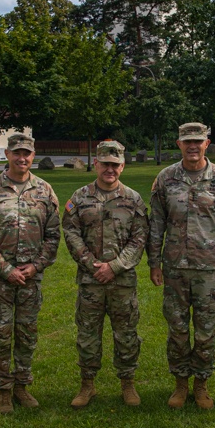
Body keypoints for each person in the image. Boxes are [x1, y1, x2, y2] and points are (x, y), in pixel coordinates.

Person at [148, 122, 215, 410]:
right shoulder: (165, 178)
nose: (192, 146)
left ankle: (201, 384)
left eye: (197, 141)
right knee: (177, 328)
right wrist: (154, 262)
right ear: (178, 144)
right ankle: (180, 384)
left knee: (205, 330)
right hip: (174, 267)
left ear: (207, 144)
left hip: (208, 270)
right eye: (186, 141)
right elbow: (156, 224)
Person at [0, 133, 61, 414]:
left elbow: (54, 235)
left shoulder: (45, 190)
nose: (22, 158)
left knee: (27, 333)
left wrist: (36, 266)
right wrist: (5, 269)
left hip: (31, 278)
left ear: (32, 156)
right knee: (0, 334)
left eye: (27, 153)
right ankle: (3, 390)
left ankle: (22, 385)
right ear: (7, 154)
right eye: (17, 153)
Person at [62, 140, 149, 408]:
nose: (109, 169)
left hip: (122, 281)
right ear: (96, 164)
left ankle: (128, 384)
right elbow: (71, 232)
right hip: (90, 281)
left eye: (115, 164)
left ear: (122, 166)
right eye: (105, 164)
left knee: (126, 334)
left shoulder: (133, 199)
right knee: (88, 334)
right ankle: (87, 385)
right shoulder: (79, 198)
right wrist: (91, 264)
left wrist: (115, 266)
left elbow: (140, 237)